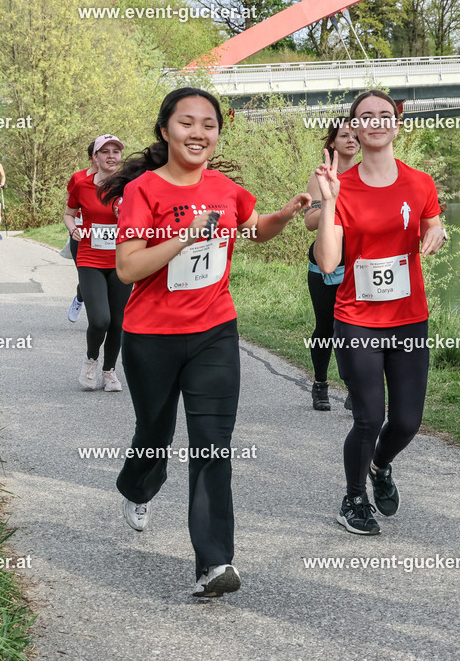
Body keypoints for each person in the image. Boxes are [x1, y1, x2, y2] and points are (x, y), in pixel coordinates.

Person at [105, 87, 309, 597]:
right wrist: (185, 236)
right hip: (151, 337)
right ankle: (138, 485)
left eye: (209, 125)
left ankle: (214, 564)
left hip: (215, 333)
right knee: (154, 430)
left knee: (213, 447)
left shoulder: (225, 188)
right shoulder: (143, 192)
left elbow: (251, 231)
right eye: (187, 123)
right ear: (164, 131)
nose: (199, 133)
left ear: (218, 133)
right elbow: (128, 268)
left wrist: (283, 215)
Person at [313, 90, 448, 536]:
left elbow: (431, 222)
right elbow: (329, 262)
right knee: (369, 416)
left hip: (409, 318)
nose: (375, 122)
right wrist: (330, 201)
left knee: (407, 420)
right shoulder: (342, 186)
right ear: (352, 127)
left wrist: (438, 231)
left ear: (397, 122)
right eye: (364, 117)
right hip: (357, 318)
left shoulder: (420, 182)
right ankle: (353, 498)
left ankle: (380, 463)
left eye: (383, 115)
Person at [65, 135, 130, 392]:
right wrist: (73, 230)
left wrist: (125, 215)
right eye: (105, 152)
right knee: (101, 320)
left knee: (118, 322)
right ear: (95, 157)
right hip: (90, 257)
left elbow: (147, 219)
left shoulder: (131, 186)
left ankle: (109, 371)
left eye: (116, 151)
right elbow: (69, 214)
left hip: (122, 260)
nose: (111, 156)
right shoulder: (81, 184)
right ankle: (91, 360)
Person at [303, 118, 358, 410]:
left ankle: (354, 386)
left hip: (358, 266)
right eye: (344, 135)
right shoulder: (321, 175)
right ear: (332, 142)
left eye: (355, 135)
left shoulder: (368, 175)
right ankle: (320, 384)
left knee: (356, 329)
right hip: (325, 268)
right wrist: (330, 199)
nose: (351, 139)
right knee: (326, 327)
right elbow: (310, 222)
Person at [64, 141, 97, 322]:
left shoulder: (118, 179)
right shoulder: (78, 178)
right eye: (99, 153)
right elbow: (71, 205)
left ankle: (104, 313)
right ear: (91, 158)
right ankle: (80, 299)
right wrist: (74, 227)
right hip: (82, 234)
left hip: (108, 237)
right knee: (85, 275)